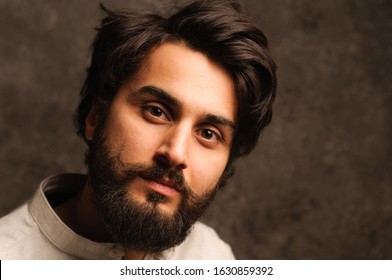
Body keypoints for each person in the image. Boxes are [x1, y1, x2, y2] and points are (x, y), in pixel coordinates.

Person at [0, 0, 276, 260]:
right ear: (96, 117)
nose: (176, 153)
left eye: (208, 133)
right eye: (156, 111)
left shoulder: (212, 256)